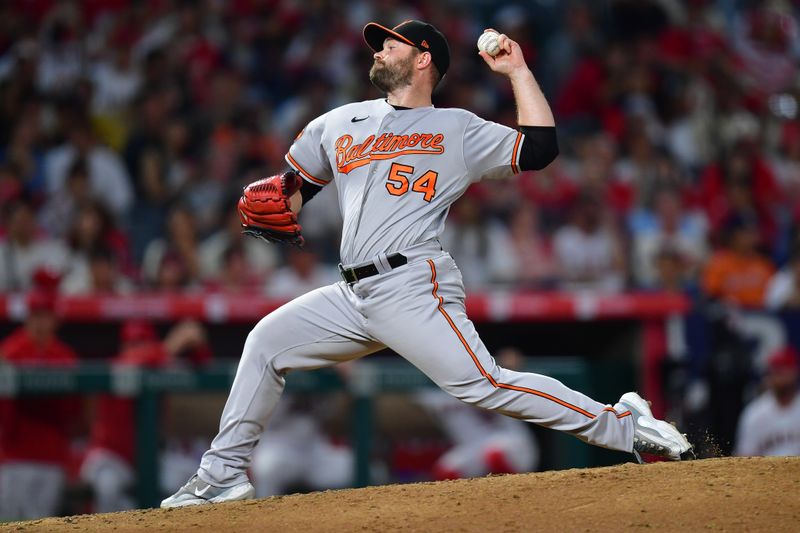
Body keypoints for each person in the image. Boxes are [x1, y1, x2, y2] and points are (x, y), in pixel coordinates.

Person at [162, 21, 693, 508]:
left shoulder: (456, 128)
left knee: (484, 383)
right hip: (350, 293)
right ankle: (222, 474)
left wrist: (518, 71)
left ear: (423, 59)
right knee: (265, 343)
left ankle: (625, 425)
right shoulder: (339, 122)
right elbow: (296, 191)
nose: (380, 48)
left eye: (391, 42)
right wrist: (278, 205)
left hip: (413, 284)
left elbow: (540, 149)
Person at [0, 271, 81, 519]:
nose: (40, 323)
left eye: (45, 317)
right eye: (35, 316)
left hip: (50, 457)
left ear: (54, 320)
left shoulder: (65, 356)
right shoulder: (10, 352)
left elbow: (74, 412)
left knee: (42, 523)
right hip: (13, 457)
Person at [734, 346, 800, 457]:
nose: (779, 375)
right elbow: (743, 458)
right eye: (775, 370)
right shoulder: (754, 413)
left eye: (783, 369)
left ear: (795, 371)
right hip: (767, 473)